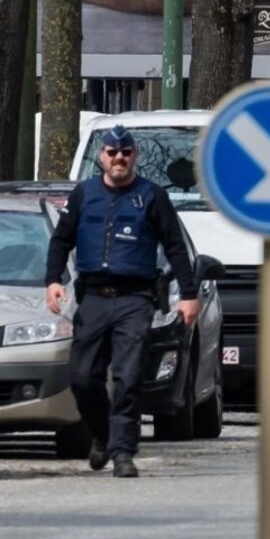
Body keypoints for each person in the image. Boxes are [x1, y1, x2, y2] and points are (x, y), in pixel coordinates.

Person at [44, 125, 199, 478]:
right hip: (94, 298)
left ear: (135, 156)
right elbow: (61, 241)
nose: (119, 158)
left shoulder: (151, 196)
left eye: (125, 152)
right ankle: (103, 435)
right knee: (83, 378)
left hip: (136, 298)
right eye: (112, 153)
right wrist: (53, 280)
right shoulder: (84, 194)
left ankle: (124, 453)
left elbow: (175, 247)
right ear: (102, 157)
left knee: (128, 377)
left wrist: (188, 295)